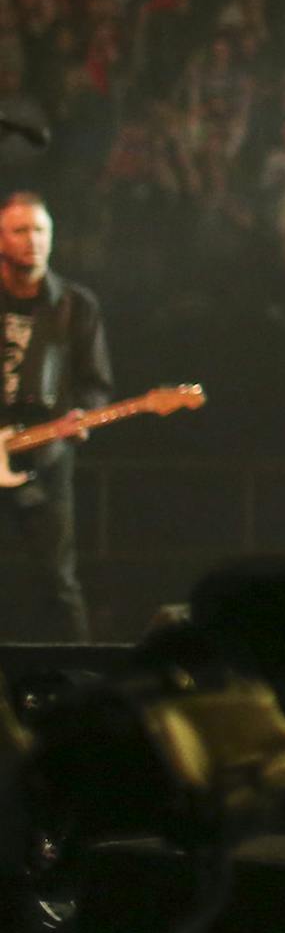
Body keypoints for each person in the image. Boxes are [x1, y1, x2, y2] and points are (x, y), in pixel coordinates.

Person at [0, 191, 98, 641]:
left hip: (45, 456)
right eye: (20, 230)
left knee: (58, 580)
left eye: (40, 230)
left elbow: (94, 382)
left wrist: (84, 419)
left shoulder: (75, 306)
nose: (32, 241)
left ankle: (82, 683)